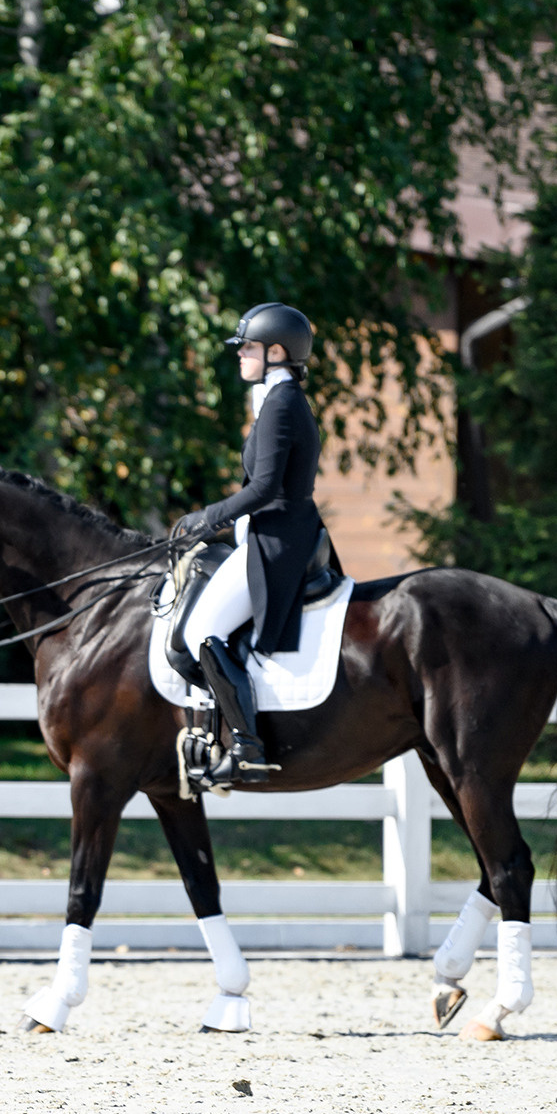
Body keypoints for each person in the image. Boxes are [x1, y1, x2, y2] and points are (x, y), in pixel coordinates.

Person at [171, 302, 323, 786]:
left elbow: (262, 490)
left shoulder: (282, 403)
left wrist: (204, 519)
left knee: (200, 634)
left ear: (276, 352)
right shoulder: (280, 397)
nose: (240, 355)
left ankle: (248, 749)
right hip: (273, 530)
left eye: (249, 347)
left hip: (275, 538)